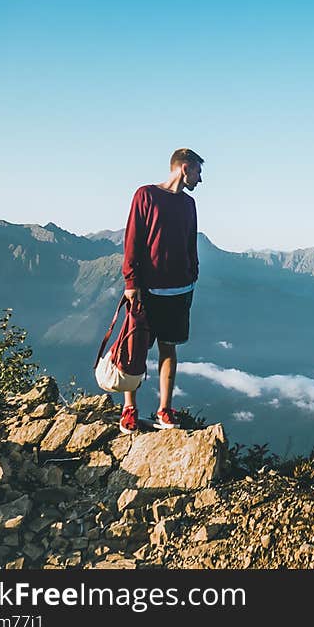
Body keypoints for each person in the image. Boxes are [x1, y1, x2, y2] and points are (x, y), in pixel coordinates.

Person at [118, 148, 203, 434]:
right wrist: (131, 283)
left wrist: (193, 273)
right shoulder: (145, 196)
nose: (200, 179)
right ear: (185, 168)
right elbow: (132, 239)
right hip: (148, 291)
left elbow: (191, 241)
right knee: (135, 351)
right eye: (198, 172)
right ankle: (129, 410)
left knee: (169, 350)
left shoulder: (189, 204)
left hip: (180, 291)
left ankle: (164, 409)